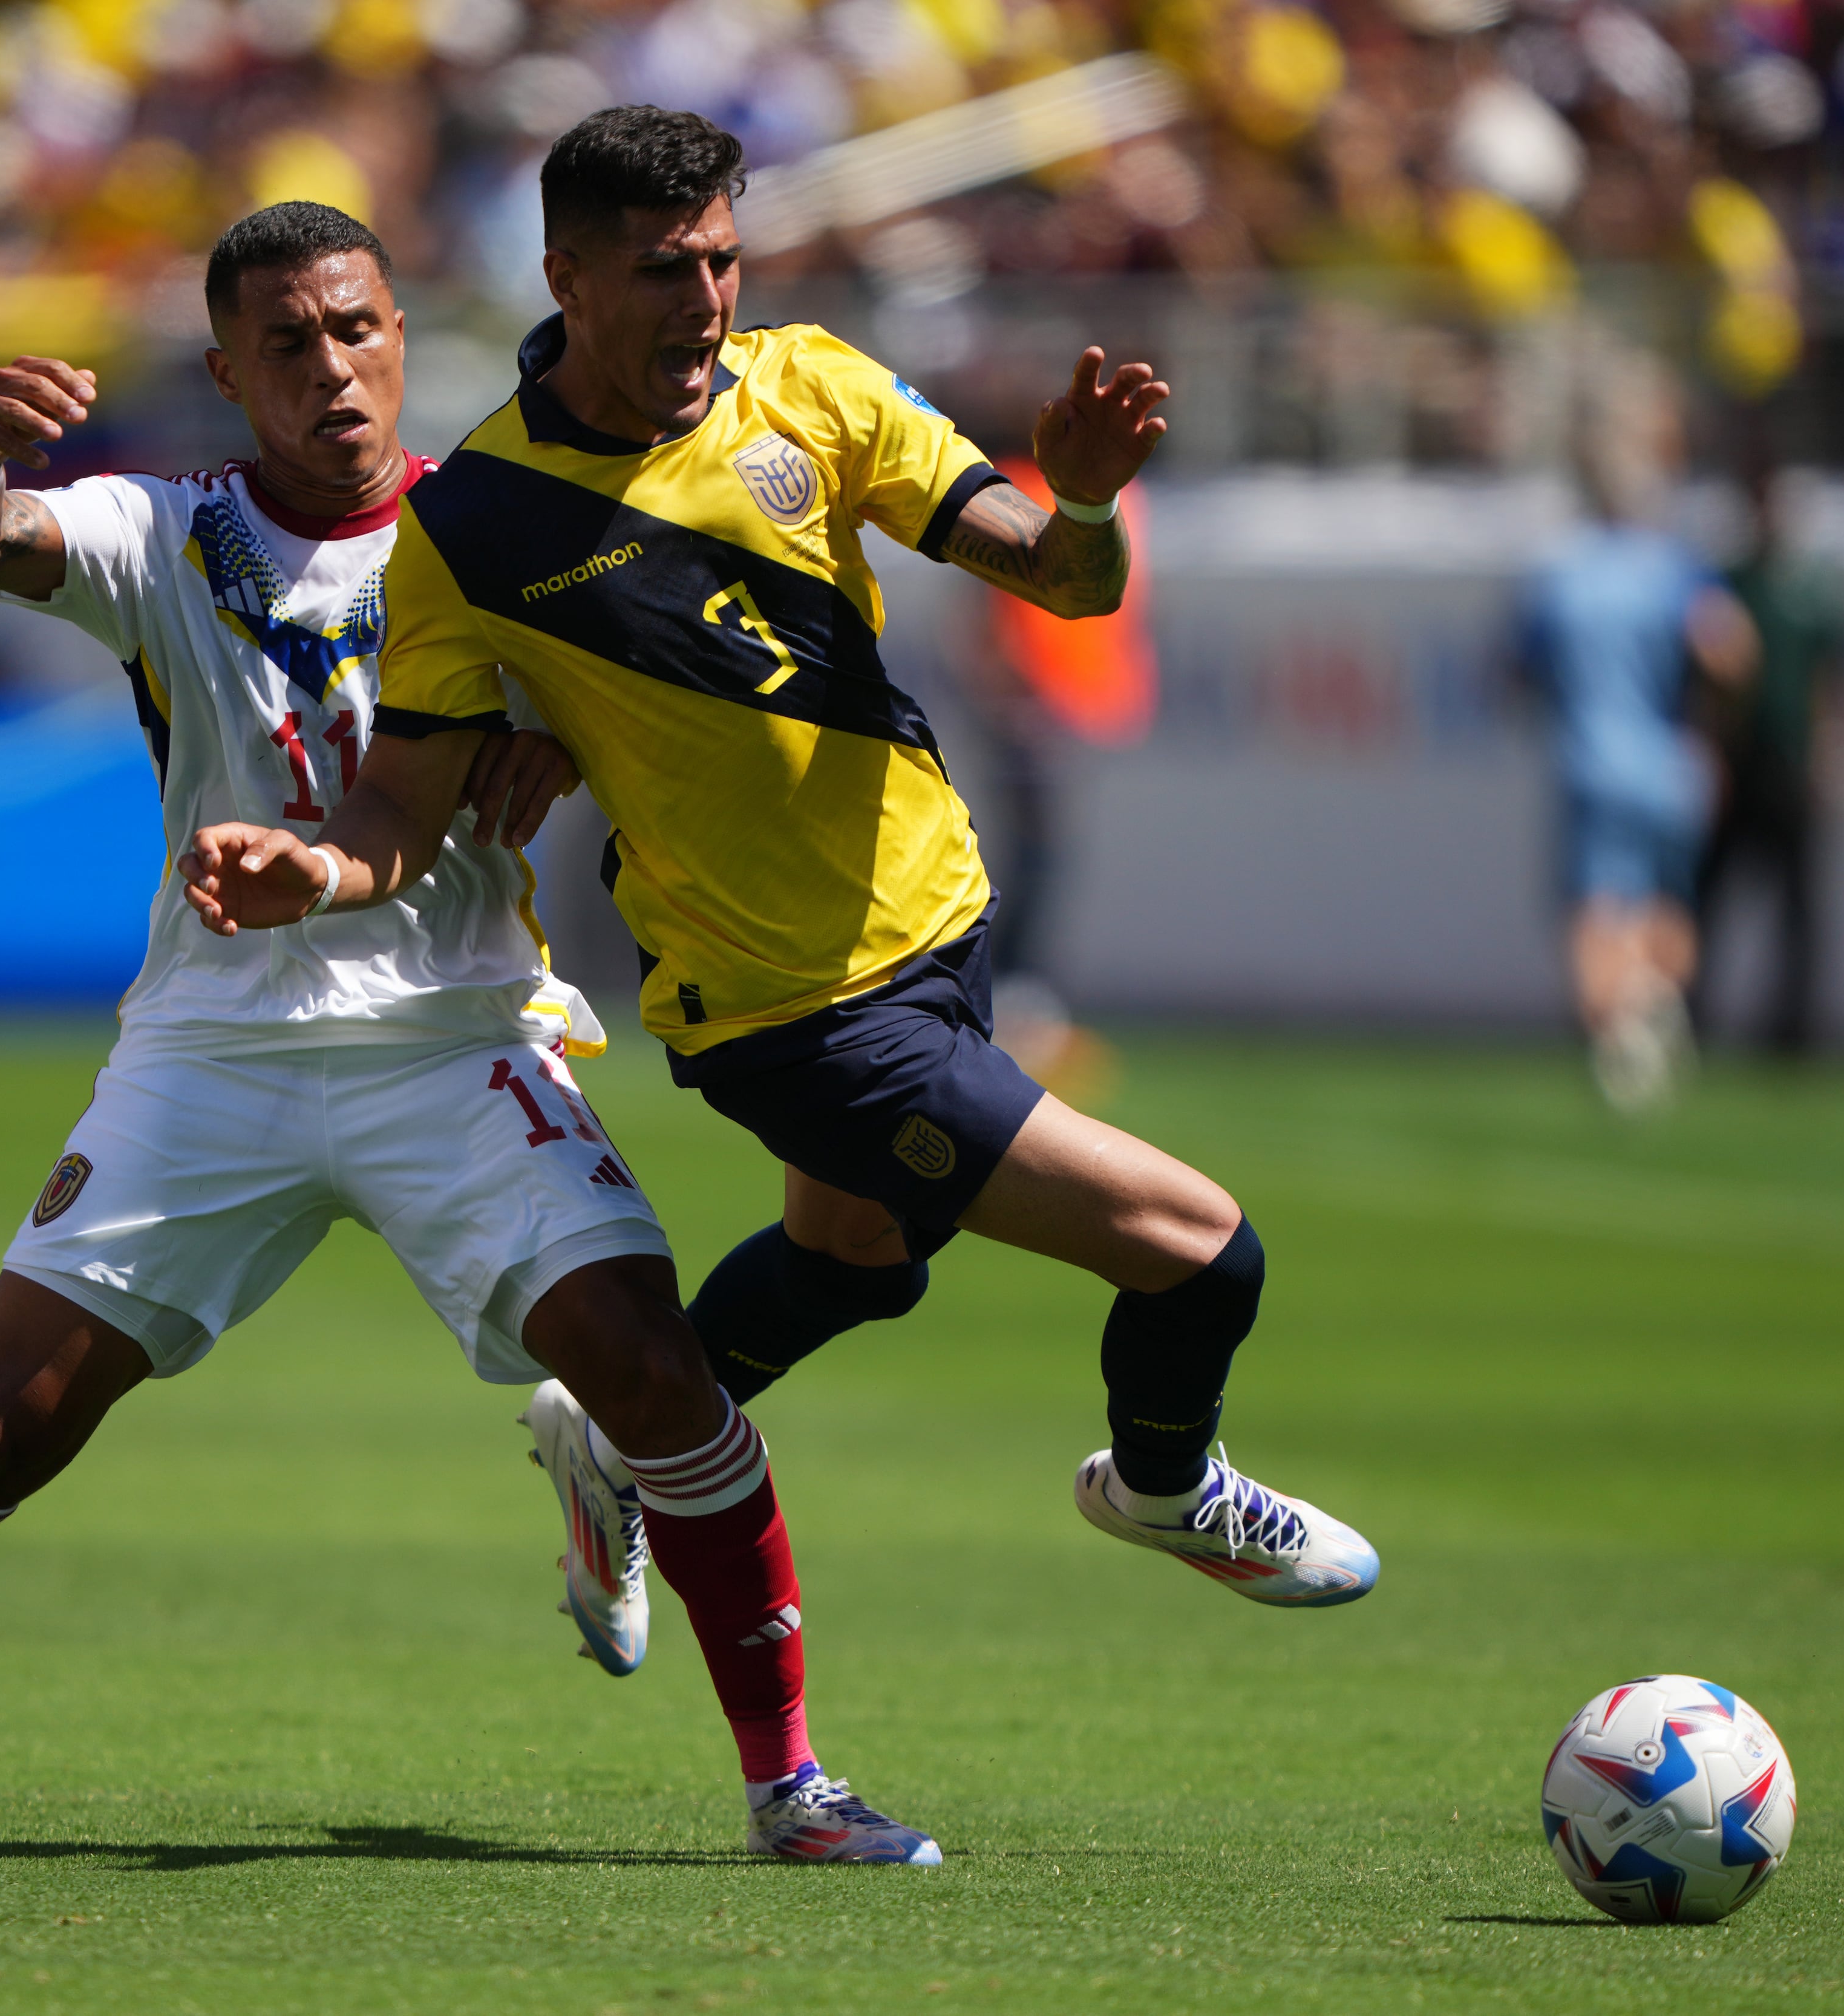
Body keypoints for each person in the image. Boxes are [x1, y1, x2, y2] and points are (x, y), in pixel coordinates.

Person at [0, 201, 943, 1867]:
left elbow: (660, 713)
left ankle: (793, 1787)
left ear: (403, 336)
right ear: (228, 371)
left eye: (356, 330)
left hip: (452, 1034)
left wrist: (561, 739)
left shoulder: (513, 522)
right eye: (287, 343)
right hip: (214, 1045)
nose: (331, 371)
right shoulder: (160, 527)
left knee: (654, 1377)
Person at [180, 109, 1380, 1654]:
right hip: (787, 1015)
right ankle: (1163, 1482)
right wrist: (326, 868)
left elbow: (1064, 584)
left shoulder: (812, 387)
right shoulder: (473, 524)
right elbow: (406, 795)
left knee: (853, 1261)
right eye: (662, 269)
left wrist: (1080, 504)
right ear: (567, 277)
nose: (705, 300)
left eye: (722, 261)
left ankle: (613, 1440)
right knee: (1203, 1252)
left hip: (937, 923)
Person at [1518, 403, 1759, 1112]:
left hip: (1590, 760)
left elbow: (1516, 670)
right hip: (1667, 762)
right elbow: (1732, 652)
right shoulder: (1671, 569)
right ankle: (1651, 1004)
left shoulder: (1563, 574)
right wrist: (1710, 725)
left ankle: (1618, 1038)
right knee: (1664, 902)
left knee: (1596, 912)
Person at [1695, 460, 1844, 1057]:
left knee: (1799, 905)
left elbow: (1837, 681)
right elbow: (1707, 684)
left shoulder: (1815, 591)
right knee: (1709, 895)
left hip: (1791, 760)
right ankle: (1691, 1020)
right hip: (1741, 760)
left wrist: (1837, 755)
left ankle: (1793, 1031)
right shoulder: (1727, 585)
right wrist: (1709, 752)